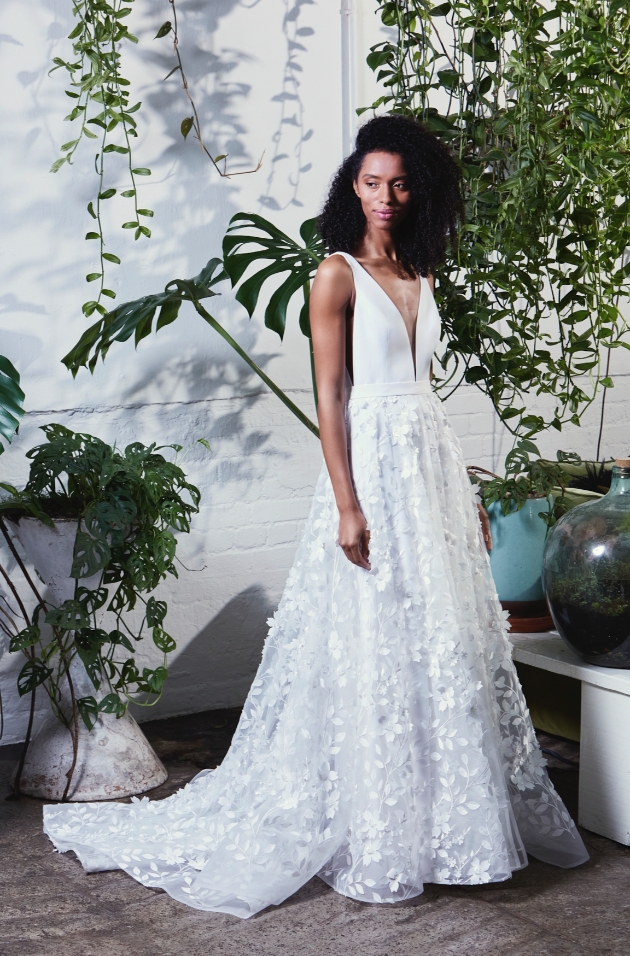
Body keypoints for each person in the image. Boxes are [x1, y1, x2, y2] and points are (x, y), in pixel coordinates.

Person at [43, 115, 588, 918]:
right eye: (370, 182)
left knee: (434, 644)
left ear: (419, 188)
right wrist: (346, 504)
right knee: (372, 637)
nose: (385, 197)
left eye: (400, 183)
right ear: (351, 187)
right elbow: (331, 396)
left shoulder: (421, 268)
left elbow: (423, 397)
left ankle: (442, 826)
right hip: (368, 470)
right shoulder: (334, 276)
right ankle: (376, 828)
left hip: (426, 469)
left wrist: (462, 493)